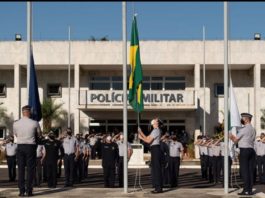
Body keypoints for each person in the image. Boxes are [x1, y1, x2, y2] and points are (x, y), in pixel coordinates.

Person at [13, 105, 42, 197]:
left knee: (21, 169)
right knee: (30, 169)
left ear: (22, 112)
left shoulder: (16, 123)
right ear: (29, 112)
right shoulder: (35, 123)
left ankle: (21, 191)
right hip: (30, 146)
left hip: (20, 146)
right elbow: (39, 135)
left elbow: (16, 134)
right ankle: (29, 191)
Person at [229, 113, 256, 196]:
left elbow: (235, 140)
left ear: (247, 119)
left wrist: (229, 135)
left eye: (243, 118)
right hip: (251, 150)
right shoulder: (253, 129)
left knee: (244, 171)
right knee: (250, 171)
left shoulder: (244, 129)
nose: (242, 120)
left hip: (244, 150)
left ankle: (246, 190)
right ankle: (249, 190)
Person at [138, 117, 163, 193]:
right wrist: (141, 132)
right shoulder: (154, 131)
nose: (156, 122)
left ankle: (158, 188)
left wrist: (141, 138)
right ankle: (156, 187)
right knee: (154, 169)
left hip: (156, 149)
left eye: (156, 121)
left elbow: (148, 141)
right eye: (155, 121)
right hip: (154, 149)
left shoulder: (156, 131)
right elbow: (147, 137)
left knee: (157, 169)